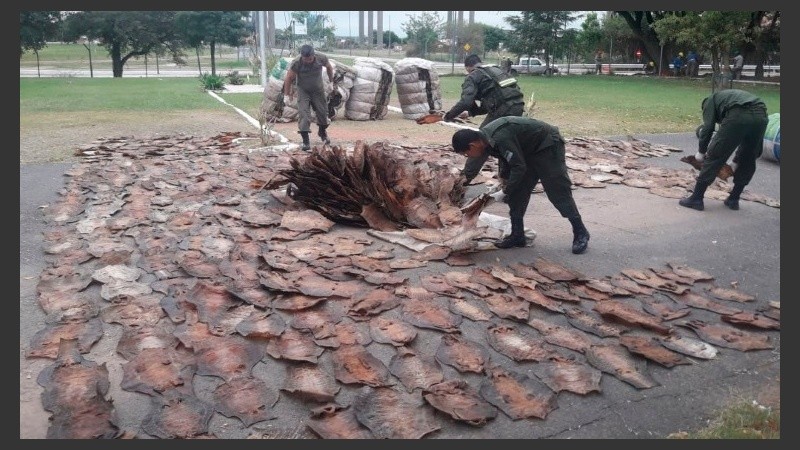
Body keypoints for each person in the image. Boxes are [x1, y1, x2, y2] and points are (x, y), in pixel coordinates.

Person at [450, 116, 591, 254]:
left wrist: (506, 191)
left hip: (547, 145)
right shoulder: (486, 141)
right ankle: (517, 235)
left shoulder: (499, 137)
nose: (469, 157)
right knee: (517, 191)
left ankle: (580, 231)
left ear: (473, 145)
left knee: (557, 190)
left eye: (467, 154)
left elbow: (518, 166)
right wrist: (505, 183)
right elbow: (506, 160)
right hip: (525, 151)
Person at [679, 89, 768, 211]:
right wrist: (736, 160)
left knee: (715, 155)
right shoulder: (729, 97)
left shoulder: (709, 102)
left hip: (738, 114)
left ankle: (696, 199)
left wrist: (701, 152)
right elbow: (747, 141)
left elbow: (708, 128)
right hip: (761, 115)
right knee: (749, 157)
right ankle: (733, 200)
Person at [442, 54, 525, 184]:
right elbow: (496, 100)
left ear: (468, 67)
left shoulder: (473, 75)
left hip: (503, 110)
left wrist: (448, 116)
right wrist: (470, 113)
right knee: (504, 143)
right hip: (517, 107)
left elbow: (466, 101)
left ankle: (464, 179)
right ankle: (507, 181)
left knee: (480, 140)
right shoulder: (496, 70)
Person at [283, 44, 335, 151]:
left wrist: (331, 82)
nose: (307, 61)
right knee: (304, 114)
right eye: (305, 59)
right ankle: (305, 141)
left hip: (318, 90)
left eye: (310, 59)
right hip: (303, 91)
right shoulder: (297, 62)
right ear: (302, 56)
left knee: (323, 112)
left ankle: (322, 132)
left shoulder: (321, 57)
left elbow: (329, 67)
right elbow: (288, 78)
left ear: (313, 55)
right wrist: (287, 95)